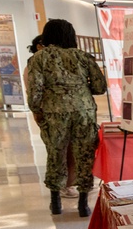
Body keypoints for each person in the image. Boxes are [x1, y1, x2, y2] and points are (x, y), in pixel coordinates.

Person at [25, 19, 107, 217]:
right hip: (84, 111)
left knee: (56, 154)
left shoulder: (39, 58)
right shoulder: (83, 57)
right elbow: (100, 87)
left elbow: (35, 90)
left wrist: (37, 111)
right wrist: (81, 88)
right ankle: (83, 204)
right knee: (84, 155)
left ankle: (55, 202)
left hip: (54, 113)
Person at [26, 35, 78, 200]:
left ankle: (67, 184)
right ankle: (62, 186)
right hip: (50, 113)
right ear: (39, 46)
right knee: (59, 151)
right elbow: (33, 91)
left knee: (68, 150)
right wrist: (37, 112)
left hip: (62, 112)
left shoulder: (57, 61)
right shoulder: (35, 63)